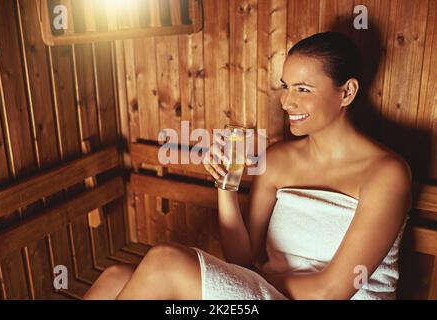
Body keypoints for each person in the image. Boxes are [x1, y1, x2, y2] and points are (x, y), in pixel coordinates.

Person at [83, 32, 412, 300]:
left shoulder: (386, 174)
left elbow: (330, 291)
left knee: (166, 263)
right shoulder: (280, 159)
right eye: (286, 86)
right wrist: (227, 187)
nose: (287, 101)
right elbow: (242, 258)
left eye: (303, 89)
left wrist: (257, 277)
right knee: (115, 278)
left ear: (347, 92)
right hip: (263, 294)